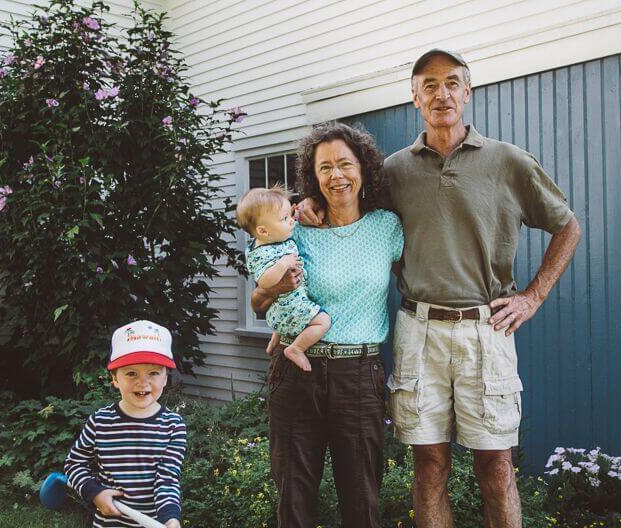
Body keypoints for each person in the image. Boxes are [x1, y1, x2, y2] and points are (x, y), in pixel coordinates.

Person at [297, 49, 581, 527]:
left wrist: (533, 295)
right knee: (428, 466)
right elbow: (343, 200)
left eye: (452, 82)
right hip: (419, 329)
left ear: (467, 92)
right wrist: (305, 201)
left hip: (486, 331)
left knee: (496, 466)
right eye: (428, 85)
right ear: (414, 97)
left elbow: (567, 226)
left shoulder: (507, 161)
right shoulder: (392, 172)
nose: (441, 93)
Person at [251, 122, 403, 528]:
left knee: (362, 498)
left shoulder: (387, 226)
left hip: (358, 374)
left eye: (345, 165)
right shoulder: (292, 229)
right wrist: (274, 289)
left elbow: (420, 277)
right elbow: (258, 300)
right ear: (312, 176)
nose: (336, 176)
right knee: (294, 496)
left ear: (364, 169)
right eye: (325, 168)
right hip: (296, 373)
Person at [64, 320, 186, 528]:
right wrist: (94, 492)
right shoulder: (100, 422)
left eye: (154, 373)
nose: (143, 382)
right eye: (131, 373)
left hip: (152, 523)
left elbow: (167, 480)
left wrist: (170, 518)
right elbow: (74, 464)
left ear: (166, 378)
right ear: (114, 378)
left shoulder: (173, 426)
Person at [237, 184, 331, 372]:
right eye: (285, 218)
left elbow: (291, 220)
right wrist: (282, 265)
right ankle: (296, 349)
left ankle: (276, 339)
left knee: (284, 321)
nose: (291, 222)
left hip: (282, 309)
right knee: (323, 321)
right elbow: (264, 281)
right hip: (292, 306)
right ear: (263, 231)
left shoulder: (275, 237)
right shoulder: (261, 253)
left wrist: (296, 212)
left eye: (289, 216)